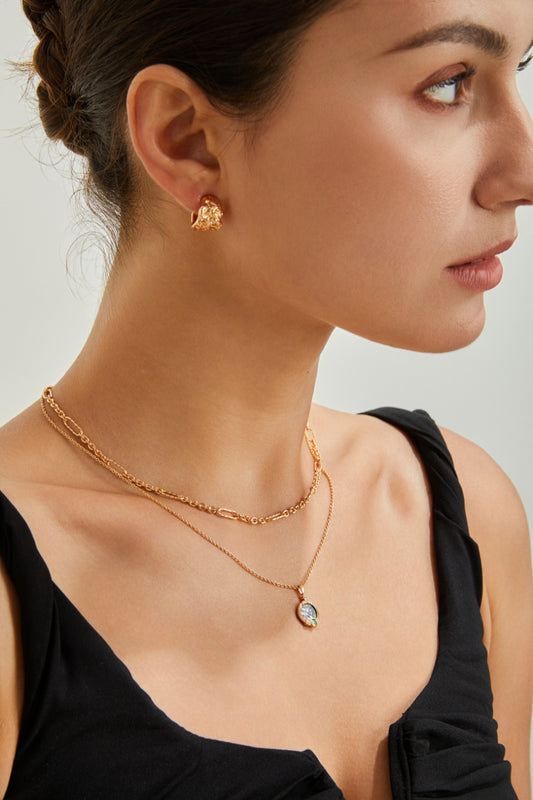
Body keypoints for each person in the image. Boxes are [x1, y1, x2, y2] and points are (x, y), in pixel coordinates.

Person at [1, 0, 532, 797]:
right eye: (449, 83)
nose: (522, 172)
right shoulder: (13, 605)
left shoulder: (459, 516)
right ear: (187, 138)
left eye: (518, 72)